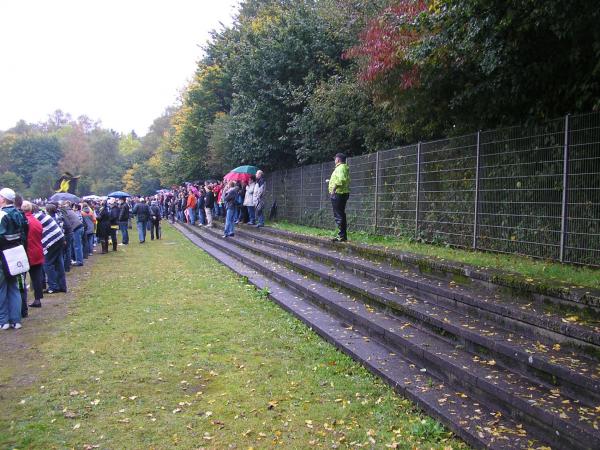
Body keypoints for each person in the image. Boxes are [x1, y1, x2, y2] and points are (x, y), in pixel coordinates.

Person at [0, 188, 28, 329]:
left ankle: (3, 321)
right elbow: (24, 232)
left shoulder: (2, 214)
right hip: (17, 252)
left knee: (2, 287)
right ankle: (16, 320)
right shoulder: (19, 213)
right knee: (16, 287)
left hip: (3, 255)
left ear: (3, 199)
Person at [35, 204, 67, 294]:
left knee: (47, 263)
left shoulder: (35, 217)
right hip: (59, 238)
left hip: (52, 241)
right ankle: (62, 285)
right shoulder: (43, 215)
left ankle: (53, 286)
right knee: (58, 262)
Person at [21, 201, 44, 308]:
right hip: (37, 251)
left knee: (21, 278)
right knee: (36, 277)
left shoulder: (23, 221)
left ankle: (22, 302)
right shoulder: (37, 221)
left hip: (26, 252)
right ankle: (38, 299)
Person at [328, 152, 351, 242]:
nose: (334, 160)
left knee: (338, 215)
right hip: (341, 193)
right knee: (340, 214)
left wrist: (333, 189)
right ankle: (342, 235)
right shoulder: (342, 168)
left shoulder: (340, 168)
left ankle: (341, 236)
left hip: (339, 193)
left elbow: (341, 180)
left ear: (338, 159)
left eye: (335, 159)